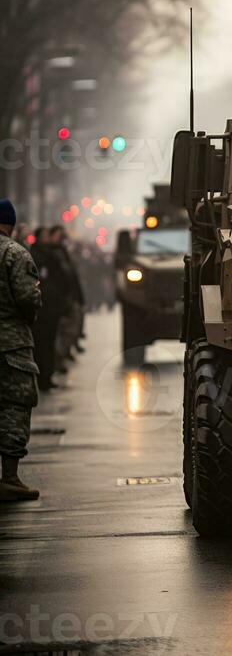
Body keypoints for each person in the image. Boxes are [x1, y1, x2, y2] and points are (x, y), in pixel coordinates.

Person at [0, 198, 41, 501]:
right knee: (14, 404)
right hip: (11, 344)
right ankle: (10, 478)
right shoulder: (15, 254)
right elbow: (29, 299)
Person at [48, 226, 85, 371]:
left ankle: (61, 356)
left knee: (72, 329)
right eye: (58, 235)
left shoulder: (63, 252)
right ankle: (58, 359)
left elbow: (71, 276)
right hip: (60, 298)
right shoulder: (50, 254)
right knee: (63, 330)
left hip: (69, 296)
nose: (61, 238)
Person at [30, 227, 61, 391]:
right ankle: (42, 377)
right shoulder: (35, 254)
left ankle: (47, 375)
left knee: (49, 342)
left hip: (52, 304)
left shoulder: (53, 253)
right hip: (43, 306)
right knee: (41, 343)